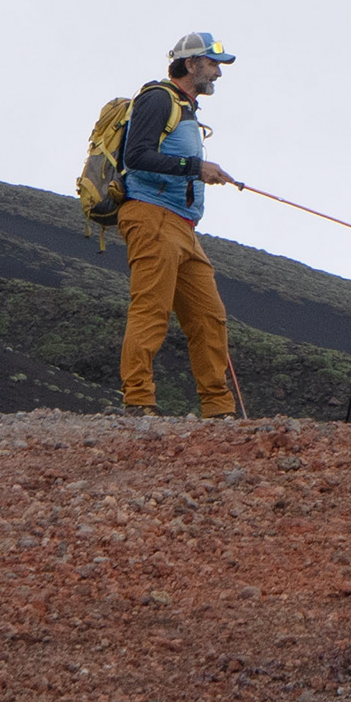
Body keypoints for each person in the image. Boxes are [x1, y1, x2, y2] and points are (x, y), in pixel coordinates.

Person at [115, 31, 239, 417]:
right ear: (190, 64)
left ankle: (218, 409)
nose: (218, 73)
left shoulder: (186, 109)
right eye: (212, 64)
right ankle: (138, 401)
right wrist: (195, 167)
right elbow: (136, 156)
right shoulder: (158, 99)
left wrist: (196, 169)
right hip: (151, 217)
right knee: (152, 309)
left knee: (209, 316)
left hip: (183, 227)